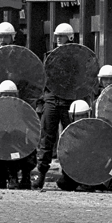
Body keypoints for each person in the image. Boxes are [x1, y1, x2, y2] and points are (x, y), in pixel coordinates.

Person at [55, 100, 112, 193]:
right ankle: (87, 184)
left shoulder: (97, 129)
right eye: (77, 116)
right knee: (63, 183)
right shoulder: (69, 133)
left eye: (82, 115)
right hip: (81, 168)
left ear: (88, 114)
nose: (80, 118)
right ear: (71, 116)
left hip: (99, 167)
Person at [34, 23, 77, 189]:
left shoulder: (76, 56)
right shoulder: (50, 56)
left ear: (70, 37)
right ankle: (41, 174)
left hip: (68, 99)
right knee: (47, 139)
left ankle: (70, 175)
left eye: (62, 36)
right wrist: (42, 100)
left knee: (71, 138)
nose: (59, 38)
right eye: (57, 36)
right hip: (52, 98)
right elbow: (43, 79)